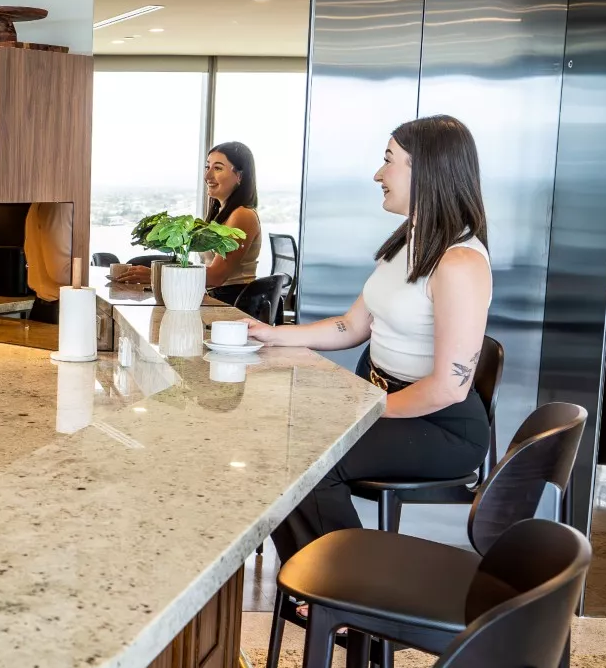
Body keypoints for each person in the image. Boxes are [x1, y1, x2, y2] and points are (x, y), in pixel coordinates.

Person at [250, 115, 492, 563]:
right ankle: (313, 577)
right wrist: (272, 334)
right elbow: (352, 326)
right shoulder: (409, 242)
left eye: (388, 161)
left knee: (310, 459)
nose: (378, 174)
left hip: (439, 424)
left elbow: (449, 387)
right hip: (386, 400)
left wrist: (362, 413)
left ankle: (345, 582)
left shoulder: (460, 262)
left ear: (429, 170)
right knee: (279, 442)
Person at [203, 141, 262, 303]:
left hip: (234, 303)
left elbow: (216, 276)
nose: (207, 176)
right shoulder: (221, 214)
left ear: (240, 176)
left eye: (218, 168)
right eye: (208, 167)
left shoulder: (242, 215)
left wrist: (160, 274)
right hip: (218, 298)